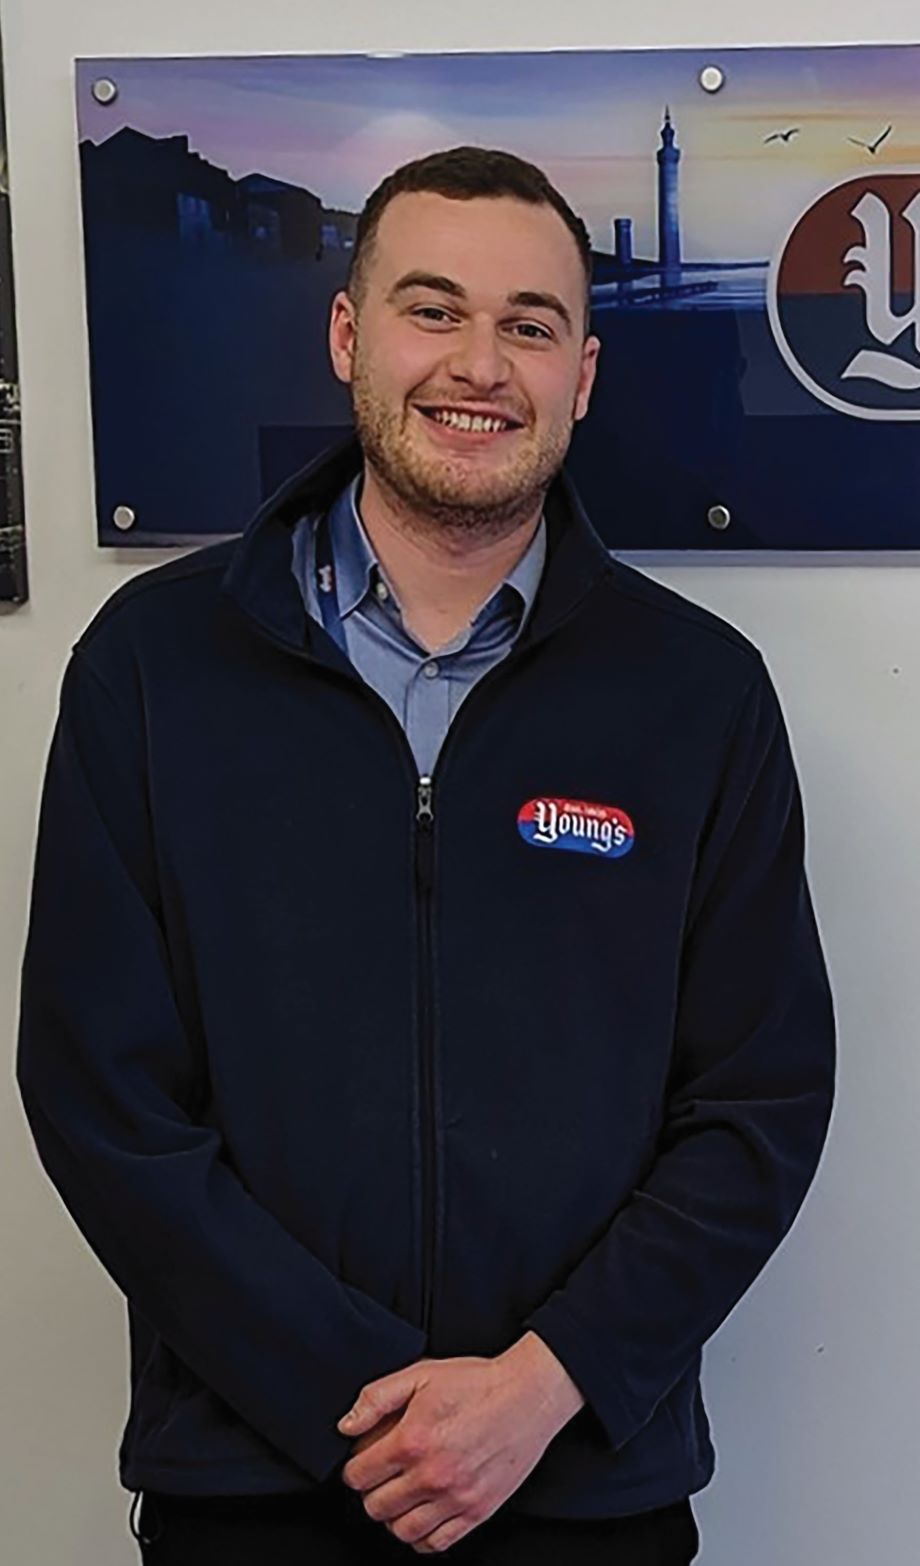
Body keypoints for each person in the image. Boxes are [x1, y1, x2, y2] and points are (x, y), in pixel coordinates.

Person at [15, 147, 836, 1563]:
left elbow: (757, 1100)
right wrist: (362, 1407)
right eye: (432, 308)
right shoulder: (152, 672)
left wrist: (540, 1386)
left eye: (530, 324)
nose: (480, 363)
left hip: (582, 1483)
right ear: (349, 336)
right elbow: (101, 1095)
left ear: (582, 373)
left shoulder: (697, 697)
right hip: (251, 1488)